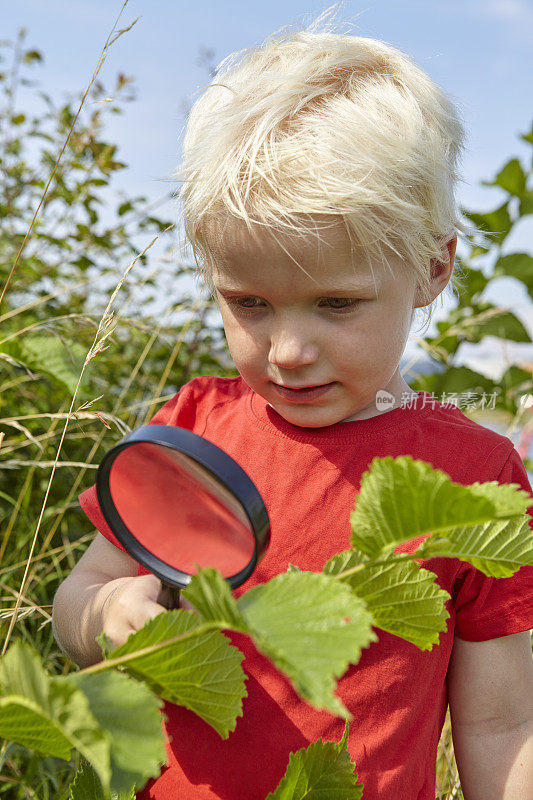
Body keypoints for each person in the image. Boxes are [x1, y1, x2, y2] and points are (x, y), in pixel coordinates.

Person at [52, 11, 533, 800]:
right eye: (248, 303)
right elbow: (79, 594)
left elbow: (498, 724)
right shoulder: (191, 431)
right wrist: (107, 611)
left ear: (431, 269)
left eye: (336, 305)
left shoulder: (473, 478)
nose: (285, 350)